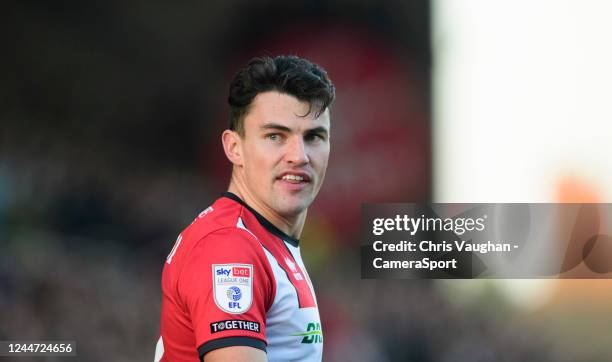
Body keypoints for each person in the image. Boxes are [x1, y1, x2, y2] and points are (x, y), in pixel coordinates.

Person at [155, 55, 335, 362]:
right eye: (275, 136)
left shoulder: (264, 240)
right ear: (234, 147)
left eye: (313, 136)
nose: (299, 156)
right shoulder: (229, 247)